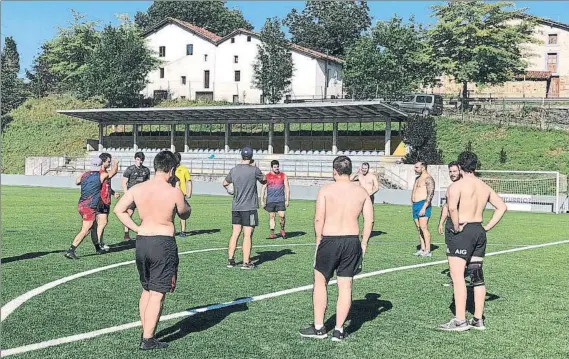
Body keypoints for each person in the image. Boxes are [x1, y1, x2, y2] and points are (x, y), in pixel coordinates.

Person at [113, 150, 191, 350]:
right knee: (157, 293)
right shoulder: (173, 191)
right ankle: (148, 339)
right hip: (162, 242)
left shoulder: (139, 188)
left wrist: (137, 228)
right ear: (172, 169)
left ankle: (146, 330)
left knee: (147, 289)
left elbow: (119, 210)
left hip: (142, 241)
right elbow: (184, 214)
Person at [299, 156, 373, 341]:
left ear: (334, 171)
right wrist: (363, 244)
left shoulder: (326, 190)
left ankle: (318, 328)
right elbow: (369, 220)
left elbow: (318, 218)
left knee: (320, 282)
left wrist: (318, 241)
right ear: (350, 170)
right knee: (345, 286)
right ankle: (339, 330)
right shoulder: (361, 192)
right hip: (351, 240)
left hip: (329, 240)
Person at [439, 151, 507, 332]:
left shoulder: (456, 186)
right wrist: (487, 227)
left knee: (458, 276)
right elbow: (502, 207)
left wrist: (456, 226)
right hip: (478, 230)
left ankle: (460, 320)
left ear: (460, 167)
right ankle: (478, 319)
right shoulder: (484, 186)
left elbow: (452, 208)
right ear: (475, 166)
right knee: (477, 276)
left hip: (462, 232)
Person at [65, 156, 117, 259]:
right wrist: (116, 163)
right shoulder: (101, 176)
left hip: (81, 204)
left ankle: (97, 248)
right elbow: (113, 173)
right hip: (89, 206)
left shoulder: (85, 175)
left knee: (94, 227)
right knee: (86, 229)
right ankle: (71, 250)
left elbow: (77, 181)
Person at [223, 146, 267, 269]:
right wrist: (257, 168)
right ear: (251, 157)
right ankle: (246, 262)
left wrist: (230, 190)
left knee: (235, 233)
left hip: (236, 207)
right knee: (248, 235)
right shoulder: (254, 170)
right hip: (250, 208)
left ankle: (231, 260)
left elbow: (225, 183)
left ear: (241, 155)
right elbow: (264, 180)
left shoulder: (234, 169)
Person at [437, 161, 463, 287]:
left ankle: (459, 279)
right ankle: (454, 280)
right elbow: (447, 206)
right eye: (450, 171)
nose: (452, 174)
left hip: (460, 224)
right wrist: (441, 222)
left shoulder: (464, 187)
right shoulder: (450, 188)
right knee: (450, 252)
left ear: (460, 171)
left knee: (461, 253)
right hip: (449, 224)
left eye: (454, 171)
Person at [90, 153, 120, 251]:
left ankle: (100, 242)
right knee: (103, 222)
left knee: (101, 223)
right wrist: (116, 163)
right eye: (108, 161)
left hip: (105, 200)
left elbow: (105, 187)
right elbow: (114, 172)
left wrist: (113, 192)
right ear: (102, 162)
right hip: (101, 200)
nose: (109, 163)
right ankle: (98, 244)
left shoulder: (104, 172)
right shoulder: (102, 172)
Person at [122, 152, 151, 241]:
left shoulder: (146, 170)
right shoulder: (130, 169)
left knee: (144, 214)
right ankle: (126, 234)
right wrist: (127, 194)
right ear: (135, 159)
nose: (140, 162)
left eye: (141, 160)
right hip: (131, 196)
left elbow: (147, 183)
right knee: (129, 214)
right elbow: (124, 183)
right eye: (138, 160)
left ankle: (144, 232)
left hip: (142, 196)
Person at [411, 160, 435, 257]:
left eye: (417, 167)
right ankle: (422, 248)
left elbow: (431, 193)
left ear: (423, 167)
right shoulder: (417, 178)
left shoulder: (428, 178)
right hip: (415, 205)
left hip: (423, 204)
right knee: (418, 228)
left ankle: (428, 250)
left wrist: (424, 207)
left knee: (423, 227)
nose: (415, 169)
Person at [261, 160, 290, 239]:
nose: (276, 168)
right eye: (275, 167)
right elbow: (263, 189)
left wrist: (287, 200)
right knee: (272, 216)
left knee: (282, 216)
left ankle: (282, 229)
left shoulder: (283, 175)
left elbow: (287, 188)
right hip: (270, 200)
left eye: (277, 167)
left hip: (280, 200)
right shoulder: (267, 176)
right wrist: (262, 201)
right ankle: (272, 233)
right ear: (271, 167)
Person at [174, 152, 192, 237]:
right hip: (171, 194)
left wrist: (189, 192)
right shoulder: (170, 169)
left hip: (181, 194)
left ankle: (183, 231)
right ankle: (171, 231)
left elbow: (188, 181)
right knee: (171, 213)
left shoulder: (184, 169)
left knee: (182, 213)